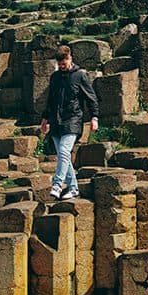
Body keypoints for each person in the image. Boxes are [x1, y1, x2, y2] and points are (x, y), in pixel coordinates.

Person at [40, 44, 99, 200]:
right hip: (56, 121)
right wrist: (45, 119)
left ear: (69, 58)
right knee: (63, 157)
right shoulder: (55, 77)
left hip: (73, 120)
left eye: (63, 63)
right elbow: (50, 100)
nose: (61, 66)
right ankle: (73, 188)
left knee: (65, 152)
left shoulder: (80, 75)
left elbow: (91, 98)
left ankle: (57, 184)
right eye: (59, 64)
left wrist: (94, 118)